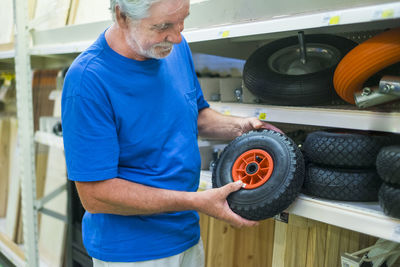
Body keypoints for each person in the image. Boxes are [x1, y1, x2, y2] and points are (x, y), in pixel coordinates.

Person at [61, 0, 282, 266]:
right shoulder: (88, 80)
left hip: (186, 235)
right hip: (132, 252)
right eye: (163, 26)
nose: (177, 36)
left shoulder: (173, 49)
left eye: (182, 20)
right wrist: (196, 201)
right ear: (122, 16)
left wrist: (241, 127)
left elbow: (195, 114)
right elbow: (95, 196)